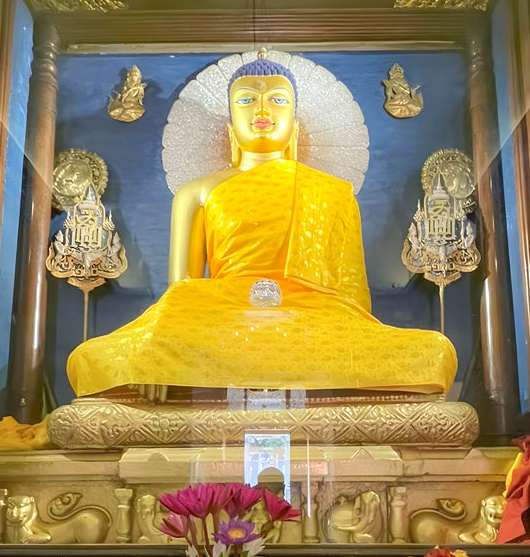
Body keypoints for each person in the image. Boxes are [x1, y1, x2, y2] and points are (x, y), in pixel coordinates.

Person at [66, 54, 456, 397]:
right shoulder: (197, 191)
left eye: (278, 99)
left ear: (296, 123)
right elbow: (182, 294)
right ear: (231, 123)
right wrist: (160, 350)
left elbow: (351, 299)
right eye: (247, 100)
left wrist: (355, 344)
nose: (261, 109)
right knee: (91, 357)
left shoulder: (334, 192)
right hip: (224, 325)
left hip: (314, 327)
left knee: (433, 351)